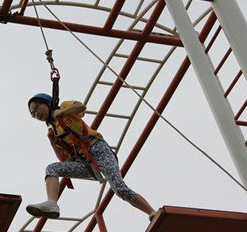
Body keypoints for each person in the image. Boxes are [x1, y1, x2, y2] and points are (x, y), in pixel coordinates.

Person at [26, 93, 157, 220]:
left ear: (47, 103)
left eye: (36, 108)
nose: (36, 114)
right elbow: (64, 161)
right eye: (33, 114)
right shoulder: (54, 131)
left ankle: (152, 212)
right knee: (52, 168)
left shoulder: (64, 107)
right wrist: (52, 142)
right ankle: (51, 203)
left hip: (97, 149)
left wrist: (61, 113)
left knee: (119, 189)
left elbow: (81, 107)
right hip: (85, 163)